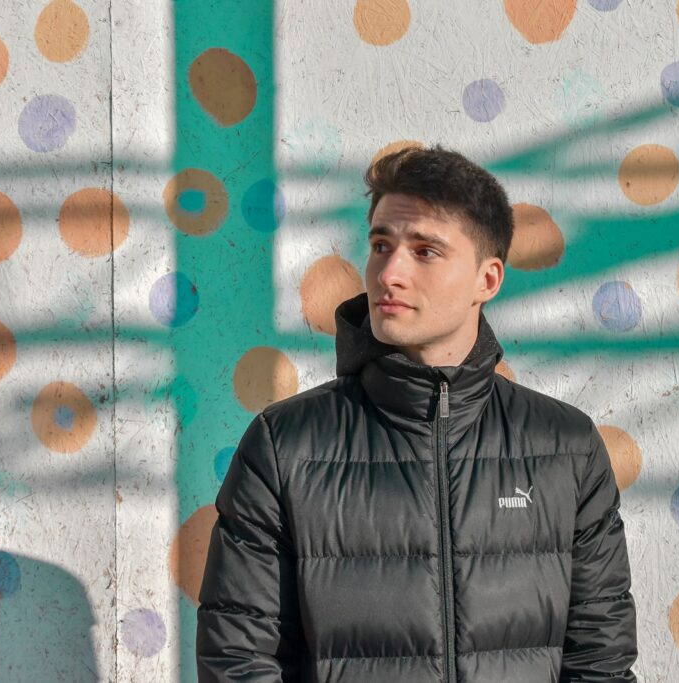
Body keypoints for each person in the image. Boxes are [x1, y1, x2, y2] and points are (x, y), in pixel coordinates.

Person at [196, 145, 638, 682]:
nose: (389, 273)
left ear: (487, 280)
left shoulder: (566, 447)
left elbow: (600, 661)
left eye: (425, 251)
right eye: (381, 245)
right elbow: (239, 660)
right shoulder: (285, 446)